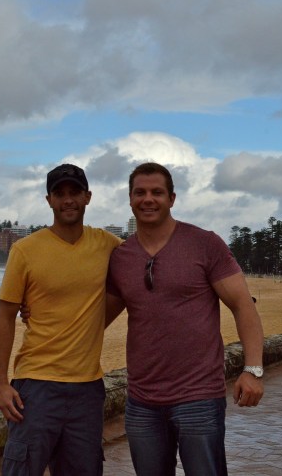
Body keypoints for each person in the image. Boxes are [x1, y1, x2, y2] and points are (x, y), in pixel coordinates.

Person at [106, 162, 265, 476]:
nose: (148, 199)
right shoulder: (122, 257)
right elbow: (95, 319)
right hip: (142, 400)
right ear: (130, 199)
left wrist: (253, 369)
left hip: (199, 397)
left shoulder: (204, 244)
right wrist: (36, 312)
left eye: (157, 192)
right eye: (140, 192)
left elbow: (243, 306)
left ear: (172, 198)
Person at [0, 163, 122, 475]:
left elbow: (139, 278)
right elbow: (6, 316)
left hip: (88, 389)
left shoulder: (107, 245)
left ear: (88, 197)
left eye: (74, 192)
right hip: (36, 386)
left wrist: (94, 322)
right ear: (48, 200)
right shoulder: (25, 250)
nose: (68, 200)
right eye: (59, 193)